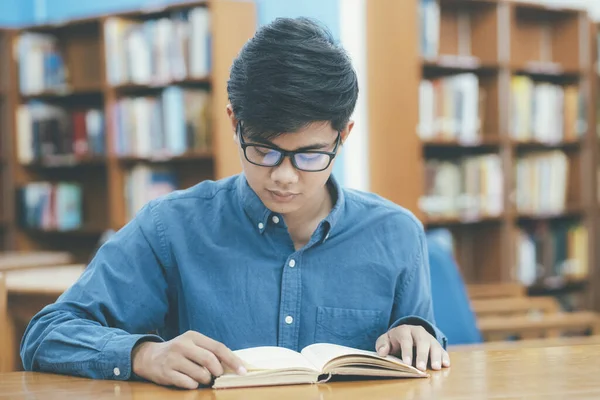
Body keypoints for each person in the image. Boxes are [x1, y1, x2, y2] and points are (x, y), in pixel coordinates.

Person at [20, 17, 450, 390]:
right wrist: (144, 356)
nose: (284, 176)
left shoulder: (396, 234)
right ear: (234, 122)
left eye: (310, 155)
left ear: (345, 135)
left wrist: (418, 338)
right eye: (263, 150)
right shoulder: (172, 227)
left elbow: (422, 363)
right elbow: (47, 334)